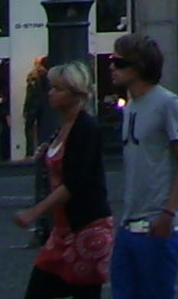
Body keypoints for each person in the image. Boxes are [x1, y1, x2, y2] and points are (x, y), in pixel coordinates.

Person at [12, 59, 112, 298]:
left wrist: (33, 213)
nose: (50, 93)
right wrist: (47, 150)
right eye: (52, 87)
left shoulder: (86, 128)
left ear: (76, 94)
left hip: (87, 227)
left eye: (57, 89)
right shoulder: (63, 126)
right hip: (63, 230)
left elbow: (74, 183)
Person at [111, 33, 178, 299]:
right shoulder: (131, 107)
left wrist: (168, 213)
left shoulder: (167, 103)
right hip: (129, 225)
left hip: (157, 225)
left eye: (119, 62)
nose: (111, 67)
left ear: (139, 67)